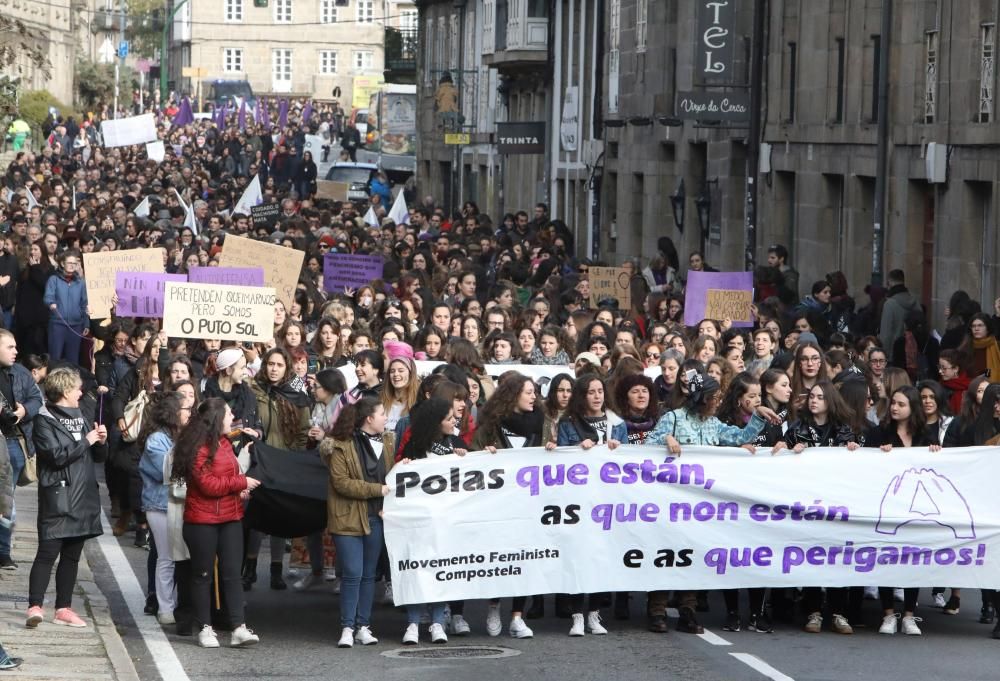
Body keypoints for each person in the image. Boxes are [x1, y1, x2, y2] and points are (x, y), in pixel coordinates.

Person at [172, 397, 261, 649]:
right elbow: (208, 485)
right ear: (217, 418)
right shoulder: (198, 447)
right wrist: (241, 484)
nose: (232, 417)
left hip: (230, 518)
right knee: (202, 575)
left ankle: (238, 627)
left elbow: (226, 479)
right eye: (229, 413)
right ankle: (204, 628)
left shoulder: (224, 444)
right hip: (202, 521)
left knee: (233, 574)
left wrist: (238, 491)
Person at [27, 367, 108, 629]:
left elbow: (98, 458)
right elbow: (55, 456)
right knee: (47, 552)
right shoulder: (44, 419)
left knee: (72, 556)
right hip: (59, 495)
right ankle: (35, 606)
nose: (81, 392)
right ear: (64, 391)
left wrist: (101, 442)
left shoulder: (82, 416)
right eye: (76, 388)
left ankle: (63, 608)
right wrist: (86, 441)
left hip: (83, 495)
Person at [321, 396, 394, 649]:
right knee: (352, 573)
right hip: (347, 517)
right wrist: (378, 490)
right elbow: (341, 483)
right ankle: (347, 628)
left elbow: (395, 476)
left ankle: (363, 626)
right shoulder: (341, 445)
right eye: (382, 412)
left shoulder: (388, 441)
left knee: (368, 575)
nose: (386, 417)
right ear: (369, 418)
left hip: (377, 517)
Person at [396, 398, 467, 644]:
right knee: (416, 571)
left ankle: (437, 622)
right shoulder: (414, 446)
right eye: (449, 419)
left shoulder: (457, 444)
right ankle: (413, 624)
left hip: (446, 522)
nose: (454, 421)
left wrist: (464, 458)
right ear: (437, 422)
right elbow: (399, 478)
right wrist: (404, 466)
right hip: (418, 522)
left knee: (440, 571)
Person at [138, 392, 188, 626]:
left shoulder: (183, 436)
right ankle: (165, 607)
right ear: (173, 413)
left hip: (181, 503)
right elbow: (167, 471)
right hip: (160, 504)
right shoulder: (156, 440)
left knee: (181, 557)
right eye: (185, 409)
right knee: (166, 557)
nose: (190, 413)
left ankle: (177, 602)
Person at [0, 329, 42, 571]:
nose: (16, 352)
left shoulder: (21, 373)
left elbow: (38, 400)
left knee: (7, 501)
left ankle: (4, 553)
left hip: (13, 442)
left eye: (16, 346)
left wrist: (24, 410)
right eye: (10, 347)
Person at [43, 250, 88, 364]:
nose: (72, 266)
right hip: (57, 324)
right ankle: (53, 381)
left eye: (75, 263)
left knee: (73, 359)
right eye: (69, 263)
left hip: (76, 325)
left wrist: (86, 323)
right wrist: (51, 303)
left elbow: (84, 304)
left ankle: (71, 382)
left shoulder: (80, 283)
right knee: (55, 357)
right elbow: (48, 296)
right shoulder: (54, 279)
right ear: (62, 264)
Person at [879, 269, 921, 364]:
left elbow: (886, 335)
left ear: (889, 282)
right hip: (913, 354)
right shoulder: (916, 303)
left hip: (894, 356)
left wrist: (883, 356)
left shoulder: (889, 304)